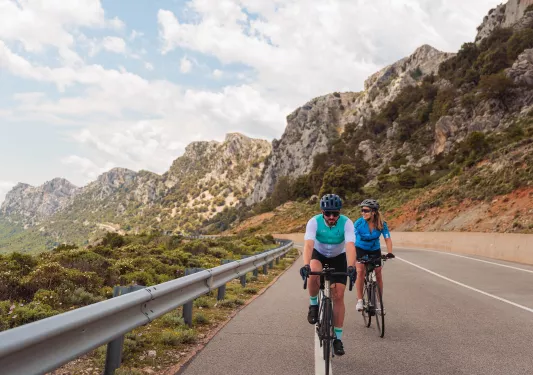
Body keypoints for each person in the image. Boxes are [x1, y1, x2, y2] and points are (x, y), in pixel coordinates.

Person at [299, 194, 356, 356]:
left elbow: (351, 246)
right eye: (328, 213)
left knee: (338, 295)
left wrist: (351, 266)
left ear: (339, 212)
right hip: (319, 254)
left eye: (335, 213)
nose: (331, 217)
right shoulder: (313, 222)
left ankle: (337, 339)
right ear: (322, 212)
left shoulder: (347, 223)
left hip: (338, 258)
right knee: (313, 271)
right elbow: (309, 245)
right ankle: (313, 305)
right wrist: (305, 264)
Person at [353, 198, 395, 313]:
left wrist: (390, 252)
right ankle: (360, 300)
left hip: (374, 249)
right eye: (362, 210)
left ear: (374, 212)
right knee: (360, 271)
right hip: (360, 248)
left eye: (366, 210)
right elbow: (351, 239)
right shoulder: (358, 223)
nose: (363, 213)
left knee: (378, 273)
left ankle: (379, 302)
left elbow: (387, 238)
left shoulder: (381, 223)